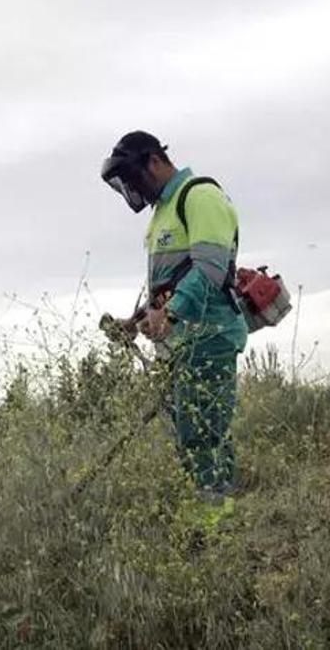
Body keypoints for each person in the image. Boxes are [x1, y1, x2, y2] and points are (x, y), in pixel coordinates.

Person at [100, 131, 247, 499]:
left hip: (209, 339)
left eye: (135, 179)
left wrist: (172, 315)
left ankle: (215, 524)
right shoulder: (162, 213)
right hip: (182, 343)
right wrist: (134, 323)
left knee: (205, 435)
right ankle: (206, 514)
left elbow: (211, 268)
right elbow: (170, 283)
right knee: (187, 434)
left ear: (154, 161)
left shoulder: (200, 196)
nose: (134, 189)